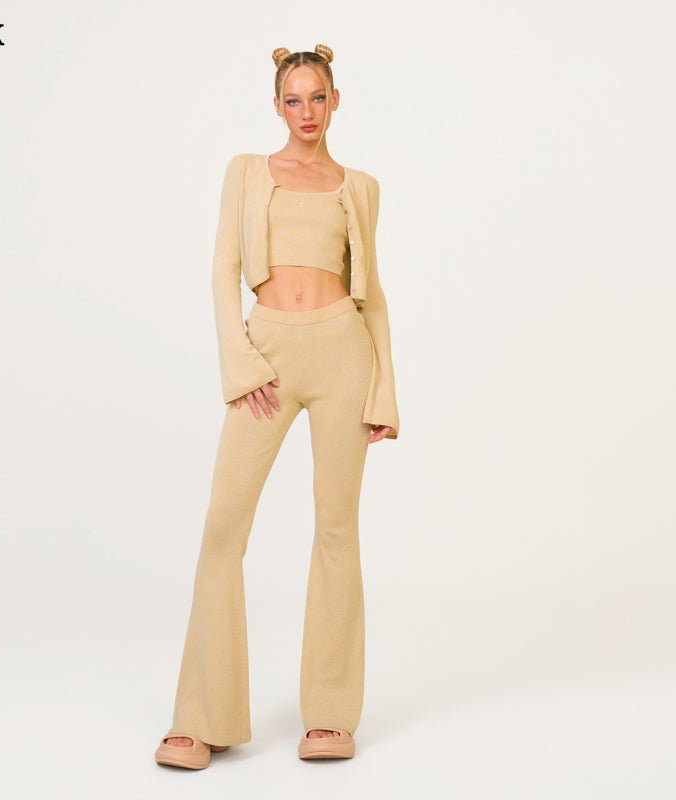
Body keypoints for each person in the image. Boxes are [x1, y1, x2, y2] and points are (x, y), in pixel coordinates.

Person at [154, 43, 400, 770]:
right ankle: (201, 717)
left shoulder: (360, 187)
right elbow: (224, 269)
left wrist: (385, 388)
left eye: (317, 98)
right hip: (266, 356)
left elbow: (373, 295)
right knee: (223, 526)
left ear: (335, 100)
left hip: (343, 353)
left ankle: (330, 715)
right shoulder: (247, 172)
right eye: (293, 100)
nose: (306, 112)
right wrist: (240, 362)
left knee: (336, 529)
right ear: (276, 106)